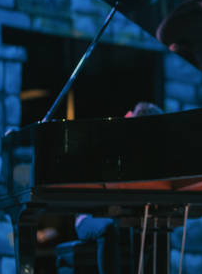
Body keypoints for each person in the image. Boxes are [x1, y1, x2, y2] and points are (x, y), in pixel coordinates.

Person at [74, 102, 163, 274]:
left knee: (152, 229)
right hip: (88, 217)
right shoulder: (112, 143)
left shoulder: (140, 153)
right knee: (108, 227)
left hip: (121, 217)